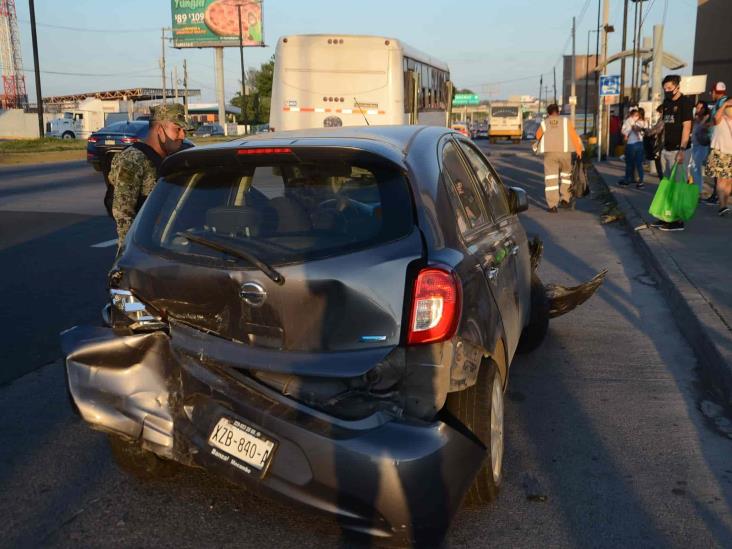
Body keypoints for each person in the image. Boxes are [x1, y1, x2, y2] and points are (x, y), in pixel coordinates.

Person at [110, 103, 191, 248]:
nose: (182, 136)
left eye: (184, 130)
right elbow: (123, 213)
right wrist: (131, 251)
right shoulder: (132, 160)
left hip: (170, 243)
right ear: (160, 130)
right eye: (177, 129)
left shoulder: (173, 158)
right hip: (145, 248)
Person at [650, 74, 694, 232]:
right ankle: (665, 216)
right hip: (667, 149)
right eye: (665, 89)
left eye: (669, 88)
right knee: (667, 185)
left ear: (677, 86)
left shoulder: (685, 103)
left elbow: (687, 127)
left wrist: (682, 150)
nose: (667, 91)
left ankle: (676, 221)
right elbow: (663, 121)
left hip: (679, 150)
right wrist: (652, 131)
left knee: (677, 186)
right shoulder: (667, 102)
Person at [535, 103, 583, 212]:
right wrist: (579, 151)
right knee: (566, 175)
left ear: (548, 113)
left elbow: (537, 135)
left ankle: (553, 206)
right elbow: (574, 136)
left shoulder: (545, 122)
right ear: (559, 112)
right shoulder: (566, 122)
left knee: (551, 179)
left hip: (550, 154)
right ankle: (565, 198)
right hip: (565, 153)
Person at [705, 83, 732, 217]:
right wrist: (725, 105)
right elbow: (715, 119)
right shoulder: (721, 118)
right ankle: (722, 206)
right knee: (722, 179)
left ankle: (724, 204)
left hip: (729, 152)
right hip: (720, 151)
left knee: (728, 180)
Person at [620, 107, 648, 188]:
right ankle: (641, 182)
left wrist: (629, 133)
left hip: (632, 144)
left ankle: (627, 180)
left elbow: (625, 130)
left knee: (629, 164)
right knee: (639, 164)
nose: (636, 116)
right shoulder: (643, 122)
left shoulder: (629, 120)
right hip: (640, 144)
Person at [689, 100, 711, 196]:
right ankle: (697, 187)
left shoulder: (707, 118)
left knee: (696, 167)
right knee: (692, 167)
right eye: (697, 107)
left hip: (702, 145)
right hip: (694, 145)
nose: (698, 109)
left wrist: (703, 120)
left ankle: (699, 190)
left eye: (701, 108)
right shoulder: (695, 118)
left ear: (705, 109)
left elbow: (703, 128)